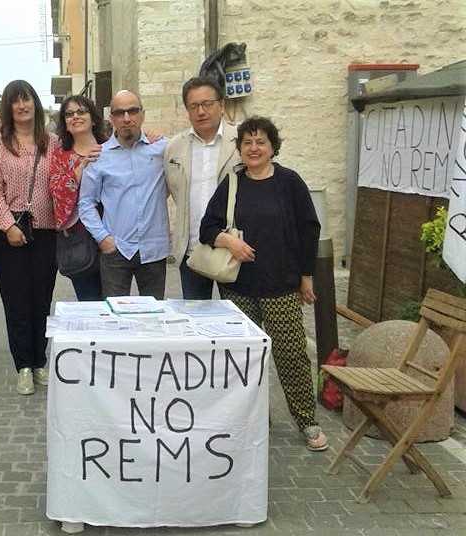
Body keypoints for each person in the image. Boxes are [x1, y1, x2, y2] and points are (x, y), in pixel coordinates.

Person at [199, 116, 327, 452]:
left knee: (291, 354)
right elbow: (207, 228)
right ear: (239, 148)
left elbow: (309, 230)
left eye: (260, 142)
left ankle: (306, 420)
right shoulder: (232, 183)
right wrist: (229, 241)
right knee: (244, 357)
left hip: (281, 286)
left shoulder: (289, 182)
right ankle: (252, 416)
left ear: (272, 147)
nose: (253, 148)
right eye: (247, 142)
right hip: (239, 288)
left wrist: (306, 276)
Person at [0, 80, 58, 396]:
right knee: (17, 302)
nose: (22, 105)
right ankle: (23, 366)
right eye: (15, 101)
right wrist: (7, 226)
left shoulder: (51, 142)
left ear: (35, 104)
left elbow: (65, 177)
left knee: (41, 299)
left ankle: (40, 360)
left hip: (46, 232)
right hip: (8, 235)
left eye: (27, 99)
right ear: (8, 108)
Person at [78, 90, 170, 299]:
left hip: (153, 249)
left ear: (143, 114)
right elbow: (85, 203)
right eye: (119, 113)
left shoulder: (162, 148)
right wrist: (104, 239)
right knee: (115, 319)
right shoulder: (99, 156)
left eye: (132, 111)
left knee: (154, 318)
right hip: (116, 250)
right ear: (111, 119)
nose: (126, 118)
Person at [165, 76, 239, 299]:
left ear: (222, 105)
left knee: (238, 319)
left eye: (207, 104)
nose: (201, 111)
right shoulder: (174, 147)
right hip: (192, 249)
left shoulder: (241, 141)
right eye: (194, 106)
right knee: (196, 321)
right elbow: (175, 190)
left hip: (234, 246)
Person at [49, 96, 107, 301]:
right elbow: (57, 193)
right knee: (89, 303)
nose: (75, 117)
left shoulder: (111, 148)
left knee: (116, 302)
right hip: (80, 241)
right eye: (69, 114)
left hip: (114, 237)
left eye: (81, 111)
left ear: (93, 118)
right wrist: (81, 167)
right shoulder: (59, 155)